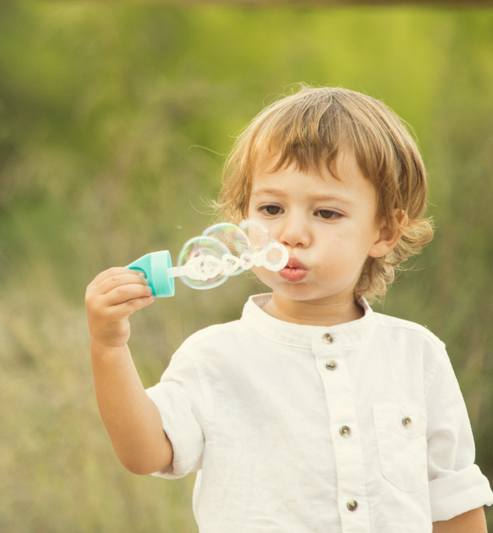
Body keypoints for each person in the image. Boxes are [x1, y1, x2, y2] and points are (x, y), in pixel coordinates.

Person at [85, 86, 493, 532]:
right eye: (272, 208)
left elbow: (453, 503)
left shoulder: (418, 356)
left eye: (327, 213)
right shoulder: (214, 357)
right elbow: (145, 453)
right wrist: (108, 344)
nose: (292, 234)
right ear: (242, 220)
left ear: (385, 231)